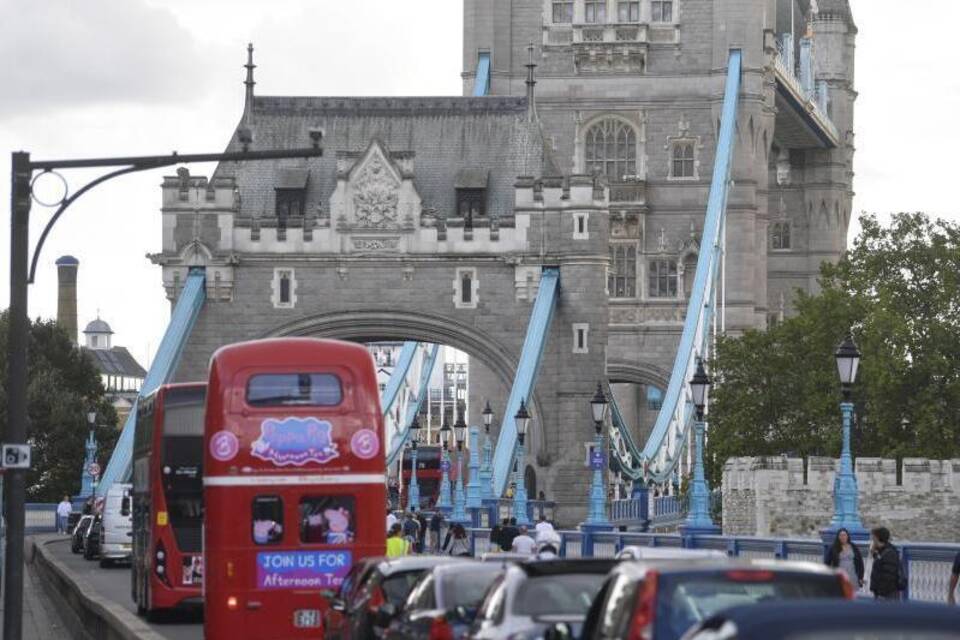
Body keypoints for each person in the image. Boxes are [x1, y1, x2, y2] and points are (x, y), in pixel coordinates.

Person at [869, 526, 903, 600]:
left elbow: (888, 575)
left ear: (877, 538)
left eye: (873, 537)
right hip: (881, 593)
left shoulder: (890, 553)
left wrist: (881, 593)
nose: (871, 540)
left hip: (887, 595)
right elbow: (881, 565)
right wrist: (874, 553)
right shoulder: (882, 552)